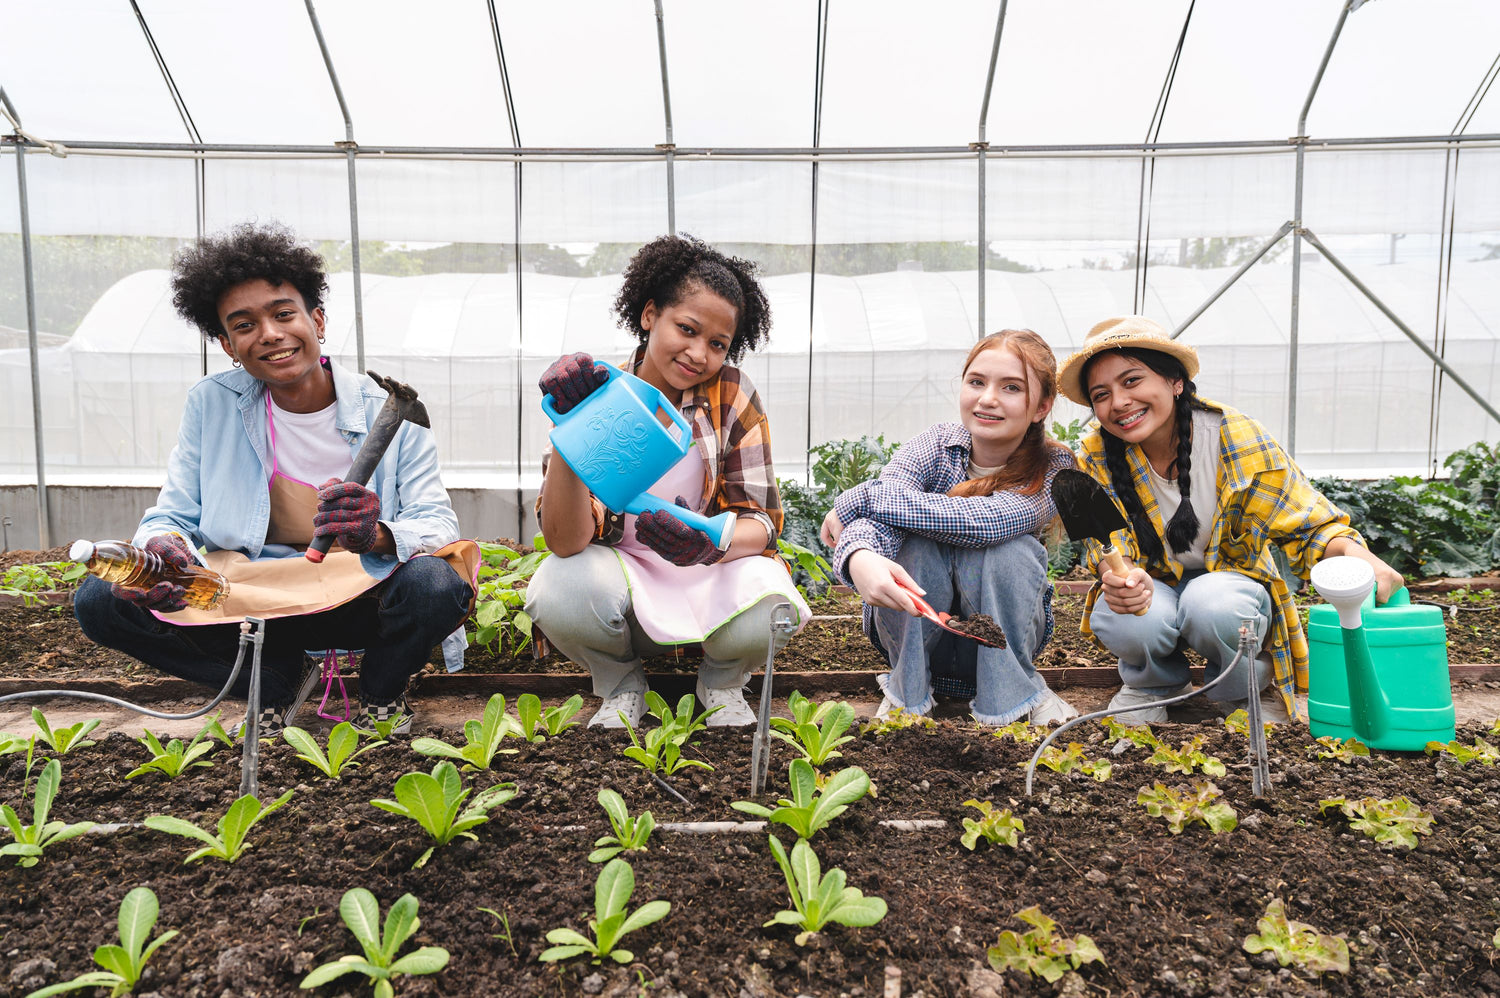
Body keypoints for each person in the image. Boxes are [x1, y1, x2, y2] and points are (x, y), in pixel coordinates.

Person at [74, 222, 478, 735]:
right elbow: (174, 513)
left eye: (284, 314)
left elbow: (436, 521)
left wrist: (374, 534)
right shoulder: (212, 404)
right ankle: (271, 680)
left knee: (436, 584)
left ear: (318, 319)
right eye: (244, 325)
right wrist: (164, 544)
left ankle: (381, 690)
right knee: (101, 600)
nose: (269, 334)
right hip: (254, 599)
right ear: (227, 344)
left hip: (358, 594)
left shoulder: (389, 413)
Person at [1058, 315, 1404, 723]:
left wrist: (1358, 555)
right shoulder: (1095, 455)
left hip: (1230, 585)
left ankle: (1242, 691)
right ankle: (1153, 685)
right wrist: (1120, 577)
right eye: (1102, 394)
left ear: (1175, 381)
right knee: (1126, 617)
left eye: (1131, 381)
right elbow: (1107, 546)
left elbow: (1308, 524)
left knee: (1214, 605)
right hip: (1157, 586)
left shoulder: (1234, 438)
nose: (1117, 403)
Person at [524, 234, 808, 728]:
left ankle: (720, 682)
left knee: (776, 601)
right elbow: (565, 541)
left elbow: (762, 522)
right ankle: (620, 685)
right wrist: (573, 432)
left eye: (717, 344)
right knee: (559, 587)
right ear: (650, 314)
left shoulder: (732, 393)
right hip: (623, 582)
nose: (699, 353)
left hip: (708, 578)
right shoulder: (600, 393)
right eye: (687, 329)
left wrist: (710, 542)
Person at [821, 329, 1079, 725]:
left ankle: (1014, 697)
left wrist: (865, 497)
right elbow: (876, 523)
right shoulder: (936, 445)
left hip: (1002, 649)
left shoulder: (1054, 468)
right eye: (977, 382)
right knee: (915, 546)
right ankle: (907, 697)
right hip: (917, 639)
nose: (988, 398)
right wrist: (860, 555)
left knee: (1010, 550)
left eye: (1011, 387)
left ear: (1042, 407)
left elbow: (989, 523)